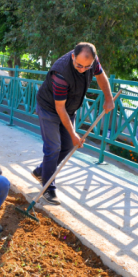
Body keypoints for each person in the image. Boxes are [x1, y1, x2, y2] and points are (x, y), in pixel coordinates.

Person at [32, 42, 115, 205]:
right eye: (79, 65)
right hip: (50, 107)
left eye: (87, 67)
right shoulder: (61, 74)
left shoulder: (91, 61)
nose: (82, 69)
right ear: (72, 57)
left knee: (69, 145)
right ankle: (48, 188)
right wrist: (74, 133)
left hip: (69, 108)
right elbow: (59, 109)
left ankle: (42, 171)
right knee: (53, 147)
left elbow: (100, 76)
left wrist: (108, 98)